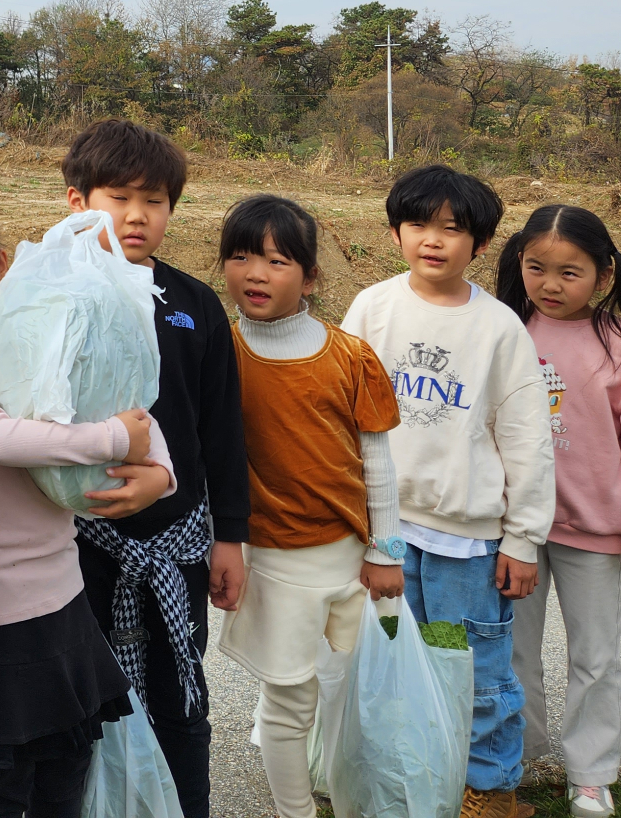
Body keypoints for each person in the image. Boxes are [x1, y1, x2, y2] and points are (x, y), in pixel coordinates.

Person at [0, 202, 175, 818]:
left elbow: (123, 394)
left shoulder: (37, 329)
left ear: (4, 259)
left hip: (63, 592)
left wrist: (159, 473)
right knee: (5, 778)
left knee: (67, 766)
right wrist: (110, 439)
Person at [341, 163, 554, 818]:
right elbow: (343, 418)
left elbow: (526, 440)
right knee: (385, 664)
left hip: (467, 543)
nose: (433, 240)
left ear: (482, 245)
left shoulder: (498, 330)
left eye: (452, 229)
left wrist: (521, 539)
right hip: (386, 535)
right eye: (418, 225)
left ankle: (489, 790)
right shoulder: (373, 308)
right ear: (395, 232)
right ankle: (405, 777)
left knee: (472, 673)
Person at [61, 118, 250, 818]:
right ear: (77, 201)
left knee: (179, 696)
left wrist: (227, 537)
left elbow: (220, 431)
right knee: (81, 704)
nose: (138, 215)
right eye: (120, 197)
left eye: (156, 200)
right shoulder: (48, 298)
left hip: (178, 544)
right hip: (75, 544)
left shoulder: (195, 305)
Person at [214, 195, 404, 818]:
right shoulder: (220, 354)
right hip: (270, 557)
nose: (257, 274)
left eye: (276, 259)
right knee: (289, 698)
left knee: (341, 691)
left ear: (311, 276)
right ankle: (294, 810)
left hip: (349, 557)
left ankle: (338, 790)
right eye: (240, 257)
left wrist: (384, 549)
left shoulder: (349, 356)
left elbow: (376, 460)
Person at [496, 205, 621, 818]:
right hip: (512, 531)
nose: (551, 285)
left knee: (595, 657)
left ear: (603, 275)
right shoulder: (502, 330)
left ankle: (592, 774)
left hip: (594, 534)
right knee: (509, 652)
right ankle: (511, 763)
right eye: (537, 268)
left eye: (569, 272)